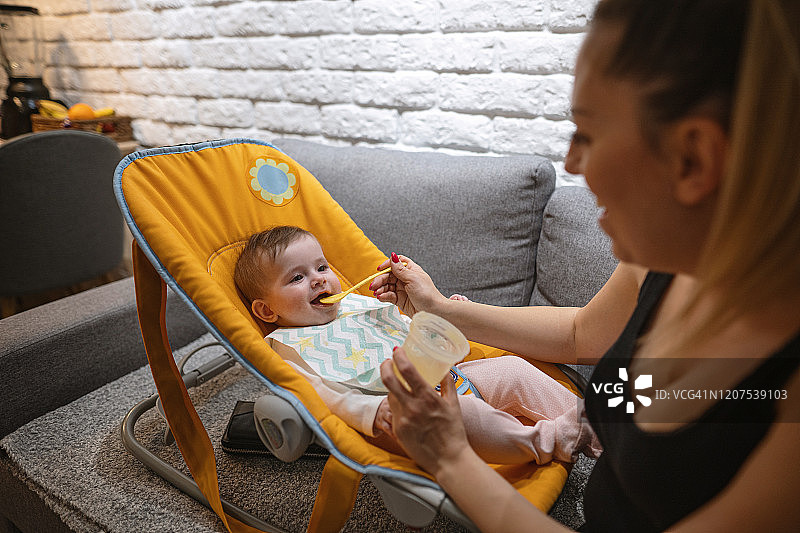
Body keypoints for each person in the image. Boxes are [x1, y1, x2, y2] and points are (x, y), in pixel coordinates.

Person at [373, 0, 800, 531]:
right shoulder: (665, 263)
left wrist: (449, 457)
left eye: (587, 133)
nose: (572, 163)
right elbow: (579, 334)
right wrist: (440, 309)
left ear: (694, 159)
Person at [234, 225, 601, 464]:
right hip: (402, 415)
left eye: (322, 267)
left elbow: (410, 334)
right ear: (266, 310)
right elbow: (321, 398)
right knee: (466, 416)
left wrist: (442, 320)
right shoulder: (286, 346)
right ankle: (550, 439)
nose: (318, 280)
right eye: (297, 278)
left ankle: (601, 428)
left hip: (452, 378)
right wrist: (370, 411)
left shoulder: (356, 305)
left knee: (513, 370)